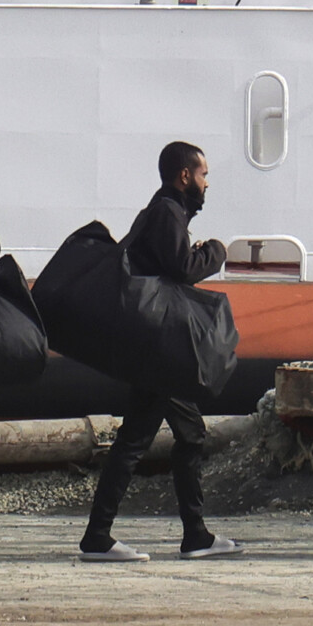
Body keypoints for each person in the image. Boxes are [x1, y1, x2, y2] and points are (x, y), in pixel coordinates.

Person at [80, 141, 243, 562]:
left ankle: (191, 535)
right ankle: (109, 536)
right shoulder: (168, 211)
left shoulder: (163, 210)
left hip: (153, 347)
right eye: (203, 175)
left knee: (173, 436)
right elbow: (182, 268)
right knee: (152, 439)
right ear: (185, 175)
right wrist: (216, 252)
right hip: (159, 349)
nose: (207, 184)